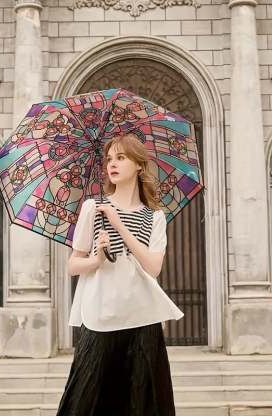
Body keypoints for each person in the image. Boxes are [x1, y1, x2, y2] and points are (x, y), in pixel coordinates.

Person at [56, 132, 184, 416]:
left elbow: (153, 267)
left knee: (143, 403)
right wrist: (97, 259)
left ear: (139, 165)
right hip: (100, 315)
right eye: (109, 159)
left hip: (142, 316)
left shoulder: (155, 216)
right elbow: (73, 265)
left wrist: (118, 223)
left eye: (121, 157)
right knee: (87, 401)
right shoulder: (93, 208)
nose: (112, 164)